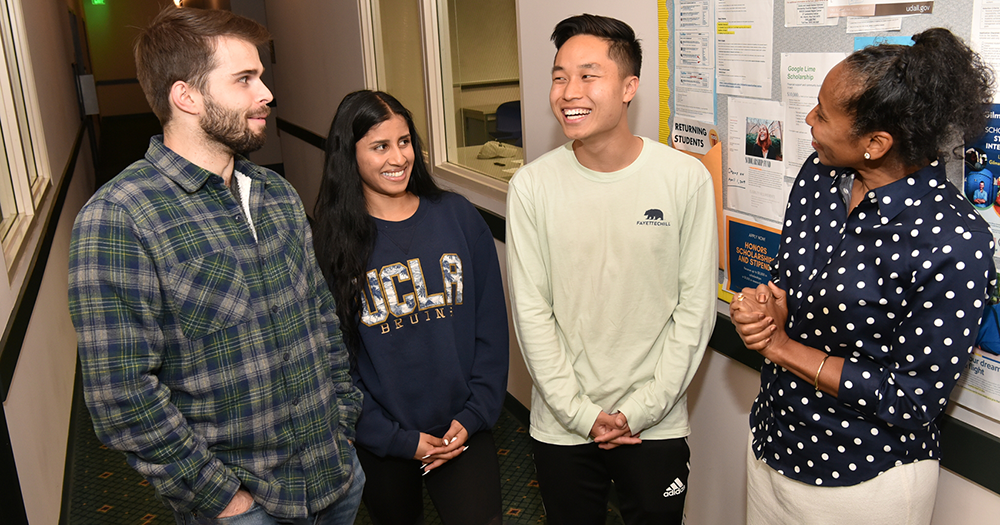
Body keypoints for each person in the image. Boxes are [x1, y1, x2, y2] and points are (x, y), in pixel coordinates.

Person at [68, 7, 364, 524]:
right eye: (245, 79)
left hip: (336, 479)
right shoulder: (119, 218)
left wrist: (343, 422)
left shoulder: (276, 192)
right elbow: (122, 394)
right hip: (246, 507)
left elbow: (321, 317)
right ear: (186, 96)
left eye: (262, 77)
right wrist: (225, 500)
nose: (266, 93)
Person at [730, 28, 996, 525]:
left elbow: (912, 398)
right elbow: (790, 279)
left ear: (876, 142)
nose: (809, 120)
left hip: (861, 479)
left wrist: (781, 347)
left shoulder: (955, 242)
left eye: (823, 115)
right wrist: (770, 309)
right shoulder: (820, 175)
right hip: (773, 440)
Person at [506, 14, 717, 525]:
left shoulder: (684, 179)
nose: (568, 91)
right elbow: (532, 313)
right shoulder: (532, 187)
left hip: (656, 422)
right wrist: (581, 414)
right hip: (562, 424)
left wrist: (638, 412)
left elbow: (695, 310)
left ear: (629, 87)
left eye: (587, 74)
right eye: (559, 76)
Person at [312, 90, 509, 525]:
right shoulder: (331, 245)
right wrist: (394, 438)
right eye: (380, 146)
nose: (398, 157)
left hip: (463, 426)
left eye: (404, 142)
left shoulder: (457, 217)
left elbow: (491, 330)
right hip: (384, 438)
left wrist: (475, 414)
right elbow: (335, 361)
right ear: (350, 155)